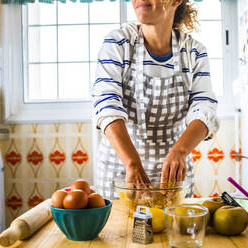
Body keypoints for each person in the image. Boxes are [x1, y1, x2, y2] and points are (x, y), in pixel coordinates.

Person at [92, 0, 219, 199]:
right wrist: (132, 163)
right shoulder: (118, 43)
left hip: (172, 180)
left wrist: (180, 151)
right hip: (120, 173)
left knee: (171, 230)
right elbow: (106, 104)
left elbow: (205, 109)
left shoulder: (194, 52)